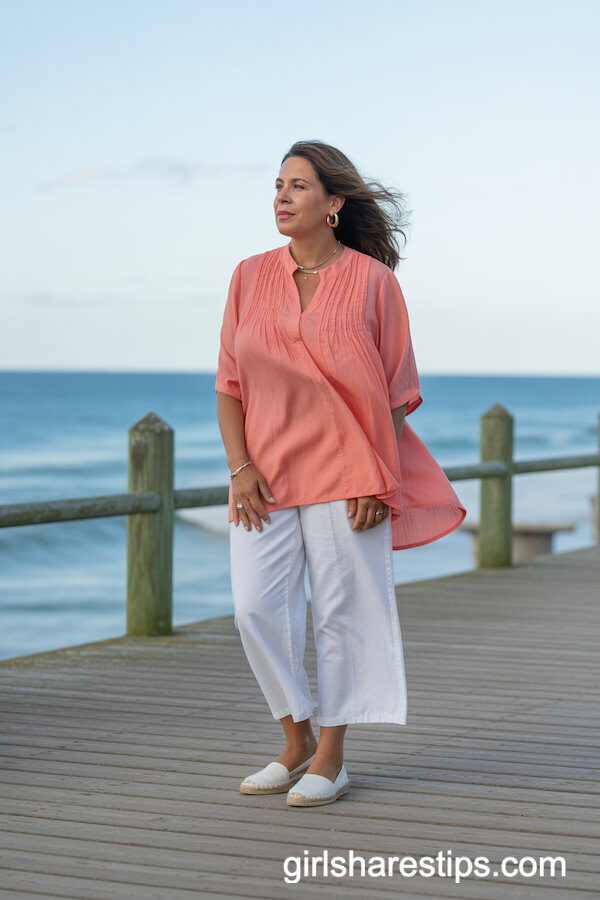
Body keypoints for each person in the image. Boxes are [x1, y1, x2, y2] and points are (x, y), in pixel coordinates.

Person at [215, 140, 466, 808]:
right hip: (265, 476)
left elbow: (395, 394)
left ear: (334, 203)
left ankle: (331, 755)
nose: (282, 196)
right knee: (254, 608)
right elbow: (230, 384)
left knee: (341, 615)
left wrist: (378, 478)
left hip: (349, 473)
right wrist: (240, 466)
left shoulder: (375, 283)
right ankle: (294, 736)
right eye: (278, 185)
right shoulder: (248, 277)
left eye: (298, 186)